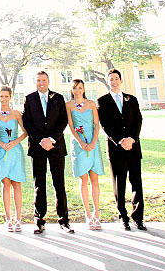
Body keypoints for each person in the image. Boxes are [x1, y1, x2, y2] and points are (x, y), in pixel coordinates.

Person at [22, 70, 74, 234]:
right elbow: (27, 122)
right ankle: (39, 220)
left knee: (59, 183)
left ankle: (64, 220)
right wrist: (41, 140)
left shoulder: (58, 98)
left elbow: (63, 120)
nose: (41, 83)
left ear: (48, 81)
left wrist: (51, 139)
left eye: (43, 80)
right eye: (38, 80)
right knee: (39, 185)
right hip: (38, 148)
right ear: (35, 82)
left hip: (55, 146)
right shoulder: (29, 99)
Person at [97, 69, 146, 231]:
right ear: (107, 81)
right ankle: (123, 217)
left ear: (121, 80)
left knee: (136, 183)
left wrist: (132, 139)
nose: (114, 81)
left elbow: (138, 121)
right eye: (111, 79)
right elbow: (105, 125)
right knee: (120, 184)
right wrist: (120, 140)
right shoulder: (102, 101)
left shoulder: (132, 99)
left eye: (117, 78)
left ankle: (138, 218)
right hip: (116, 148)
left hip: (133, 147)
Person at [66, 79, 104, 230]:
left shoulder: (91, 104)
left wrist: (94, 141)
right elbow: (70, 126)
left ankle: (97, 213)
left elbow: (96, 124)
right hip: (79, 143)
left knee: (94, 179)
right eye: (75, 88)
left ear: (83, 89)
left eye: (80, 88)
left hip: (93, 142)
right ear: (72, 90)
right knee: (84, 180)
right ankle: (88, 214)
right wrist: (81, 142)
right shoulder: (68, 105)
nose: (77, 91)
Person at [0, 86, 27, 232]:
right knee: (6, 184)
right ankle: (8, 219)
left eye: (6, 96)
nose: (3, 99)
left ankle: (18, 218)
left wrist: (14, 142)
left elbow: (25, 132)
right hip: (1, 151)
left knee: (16, 184)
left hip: (15, 150)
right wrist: (0, 143)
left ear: (10, 97)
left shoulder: (16, 113)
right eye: (1, 96)